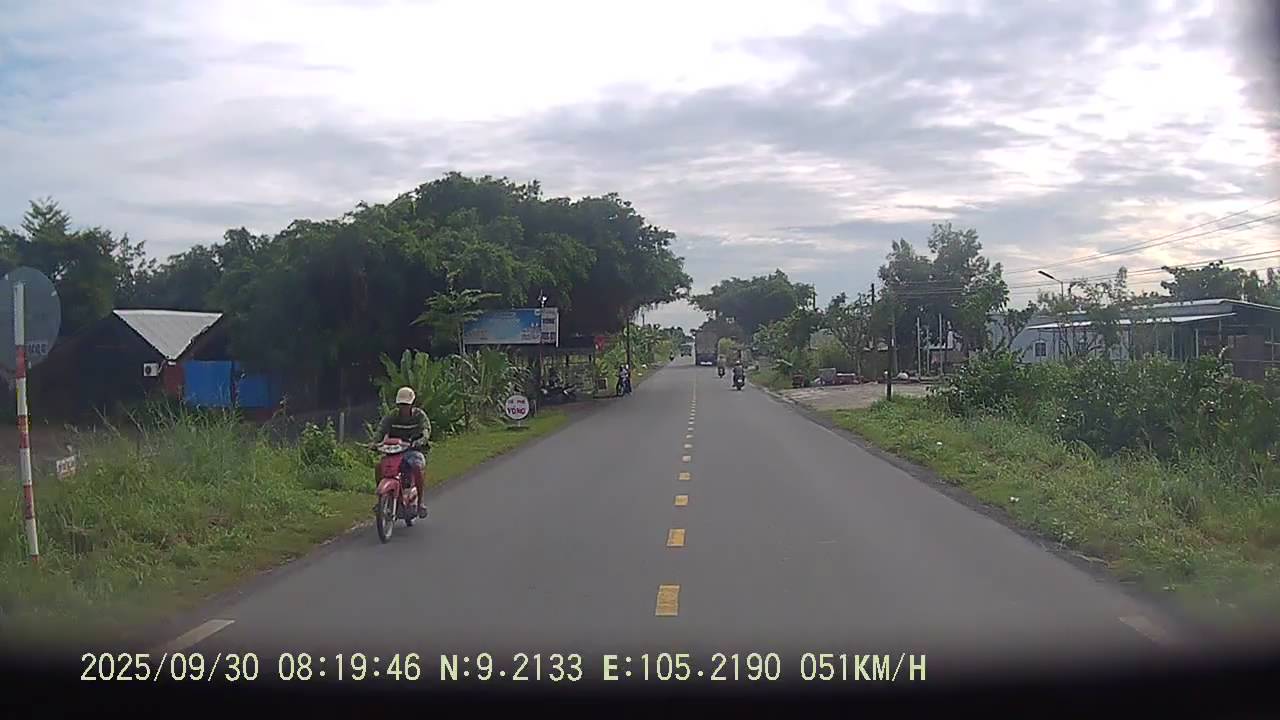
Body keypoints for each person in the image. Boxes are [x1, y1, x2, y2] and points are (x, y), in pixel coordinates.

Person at [375, 386, 431, 518]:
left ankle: (420, 503)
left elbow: (426, 430)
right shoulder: (392, 416)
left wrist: (421, 440)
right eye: (401, 405)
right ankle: (381, 500)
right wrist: (375, 442)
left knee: (417, 467)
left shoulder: (419, 416)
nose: (403, 408)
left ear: (411, 404)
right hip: (394, 451)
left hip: (413, 450)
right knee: (379, 466)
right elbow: (381, 429)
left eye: (406, 405)